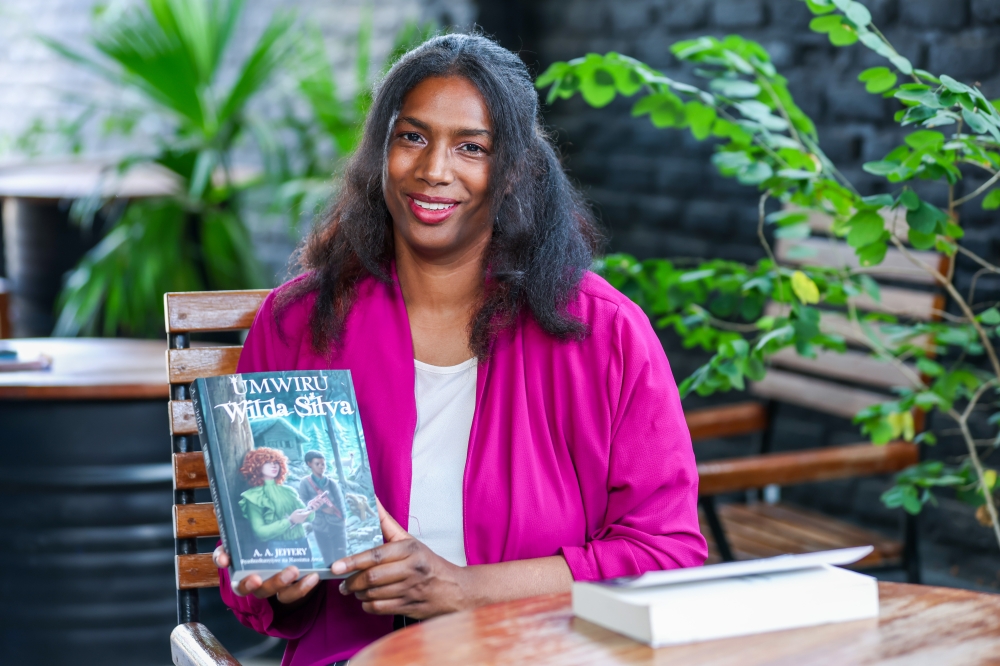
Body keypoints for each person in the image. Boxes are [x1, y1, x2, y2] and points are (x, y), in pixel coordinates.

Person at [213, 33, 706, 665]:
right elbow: (253, 567)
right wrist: (272, 579)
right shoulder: (299, 322)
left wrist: (464, 590)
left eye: (471, 147)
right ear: (380, 151)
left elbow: (666, 554)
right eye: (412, 137)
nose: (434, 170)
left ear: (514, 171)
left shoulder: (604, 333)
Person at [238, 448, 318, 566]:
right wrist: (290, 521)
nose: (274, 465)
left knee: (309, 576)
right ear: (256, 466)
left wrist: (311, 508)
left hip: (302, 543)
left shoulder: (289, 491)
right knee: (286, 577)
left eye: (276, 462)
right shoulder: (254, 496)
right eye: (268, 462)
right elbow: (260, 532)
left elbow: (309, 518)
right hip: (277, 547)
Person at [298, 451, 349, 564]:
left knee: (341, 554)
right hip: (319, 525)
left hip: (337, 524)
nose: (321, 467)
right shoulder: (305, 483)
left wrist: (343, 518)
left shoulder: (332, 483)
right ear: (309, 464)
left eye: (323, 464)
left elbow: (340, 502)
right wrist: (321, 509)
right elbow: (302, 502)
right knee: (327, 556)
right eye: (317, 464)